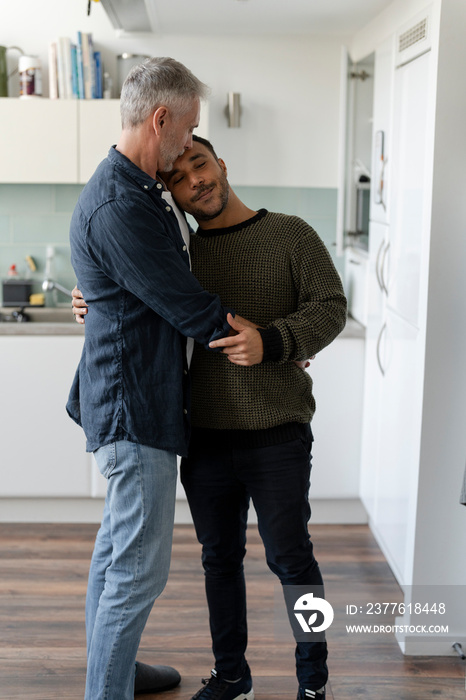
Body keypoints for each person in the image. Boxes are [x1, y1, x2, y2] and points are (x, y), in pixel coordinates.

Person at [73, 135, 347, 700]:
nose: (194, 180)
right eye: (178, 176)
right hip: (202, 435)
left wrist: (275, 340)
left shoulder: (291, 233)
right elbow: (133, 283)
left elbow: (330, 306)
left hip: (278, 433)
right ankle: (231, 676)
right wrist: (90, 294)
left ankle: (314, 683)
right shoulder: (181, 253)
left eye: (199, 164)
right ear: (172, 192)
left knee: (293, 560)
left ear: (220, 164)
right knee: (219, 561)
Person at [66, 59, 261, 700]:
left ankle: (115, 671)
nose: (188, 144)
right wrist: (266, 343)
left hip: (133, 397)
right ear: (162, 118)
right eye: (189, 129)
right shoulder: (123, 200)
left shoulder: (136, 187)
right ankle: (107, 689)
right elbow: (185, 304)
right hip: (134, 408)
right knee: (138, 571)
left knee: (116, 554)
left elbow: (131, 283)